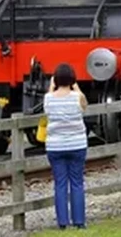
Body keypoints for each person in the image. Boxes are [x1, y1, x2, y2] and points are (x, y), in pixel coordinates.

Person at [44, 63, 89, 230]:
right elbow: (84, 105)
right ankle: (80, 222)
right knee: (77, 183)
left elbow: (47, 107)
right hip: (77, 144)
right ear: (72, 79)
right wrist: (75, 85)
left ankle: (62, 223)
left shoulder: (48, 99)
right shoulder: (77, 97)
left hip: (55, 146)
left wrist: (52, 85)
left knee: (60, 184)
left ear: (55, 80)